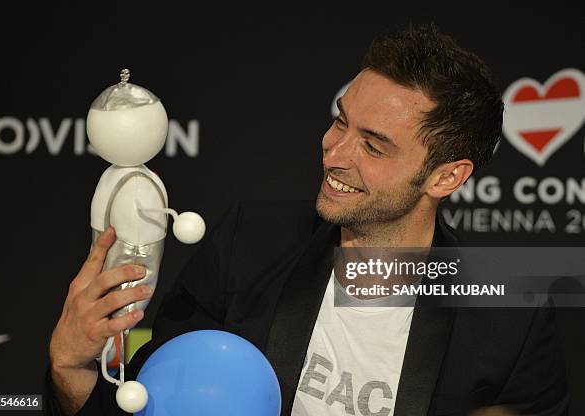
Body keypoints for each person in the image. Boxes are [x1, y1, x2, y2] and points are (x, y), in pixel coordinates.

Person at [47, 24, 569, 415]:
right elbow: (150, 404)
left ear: (446, 177)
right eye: (340, 121)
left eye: (374, 146)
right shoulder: (247, 244)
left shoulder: (510, 316)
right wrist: (71, 369)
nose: (335, 152)